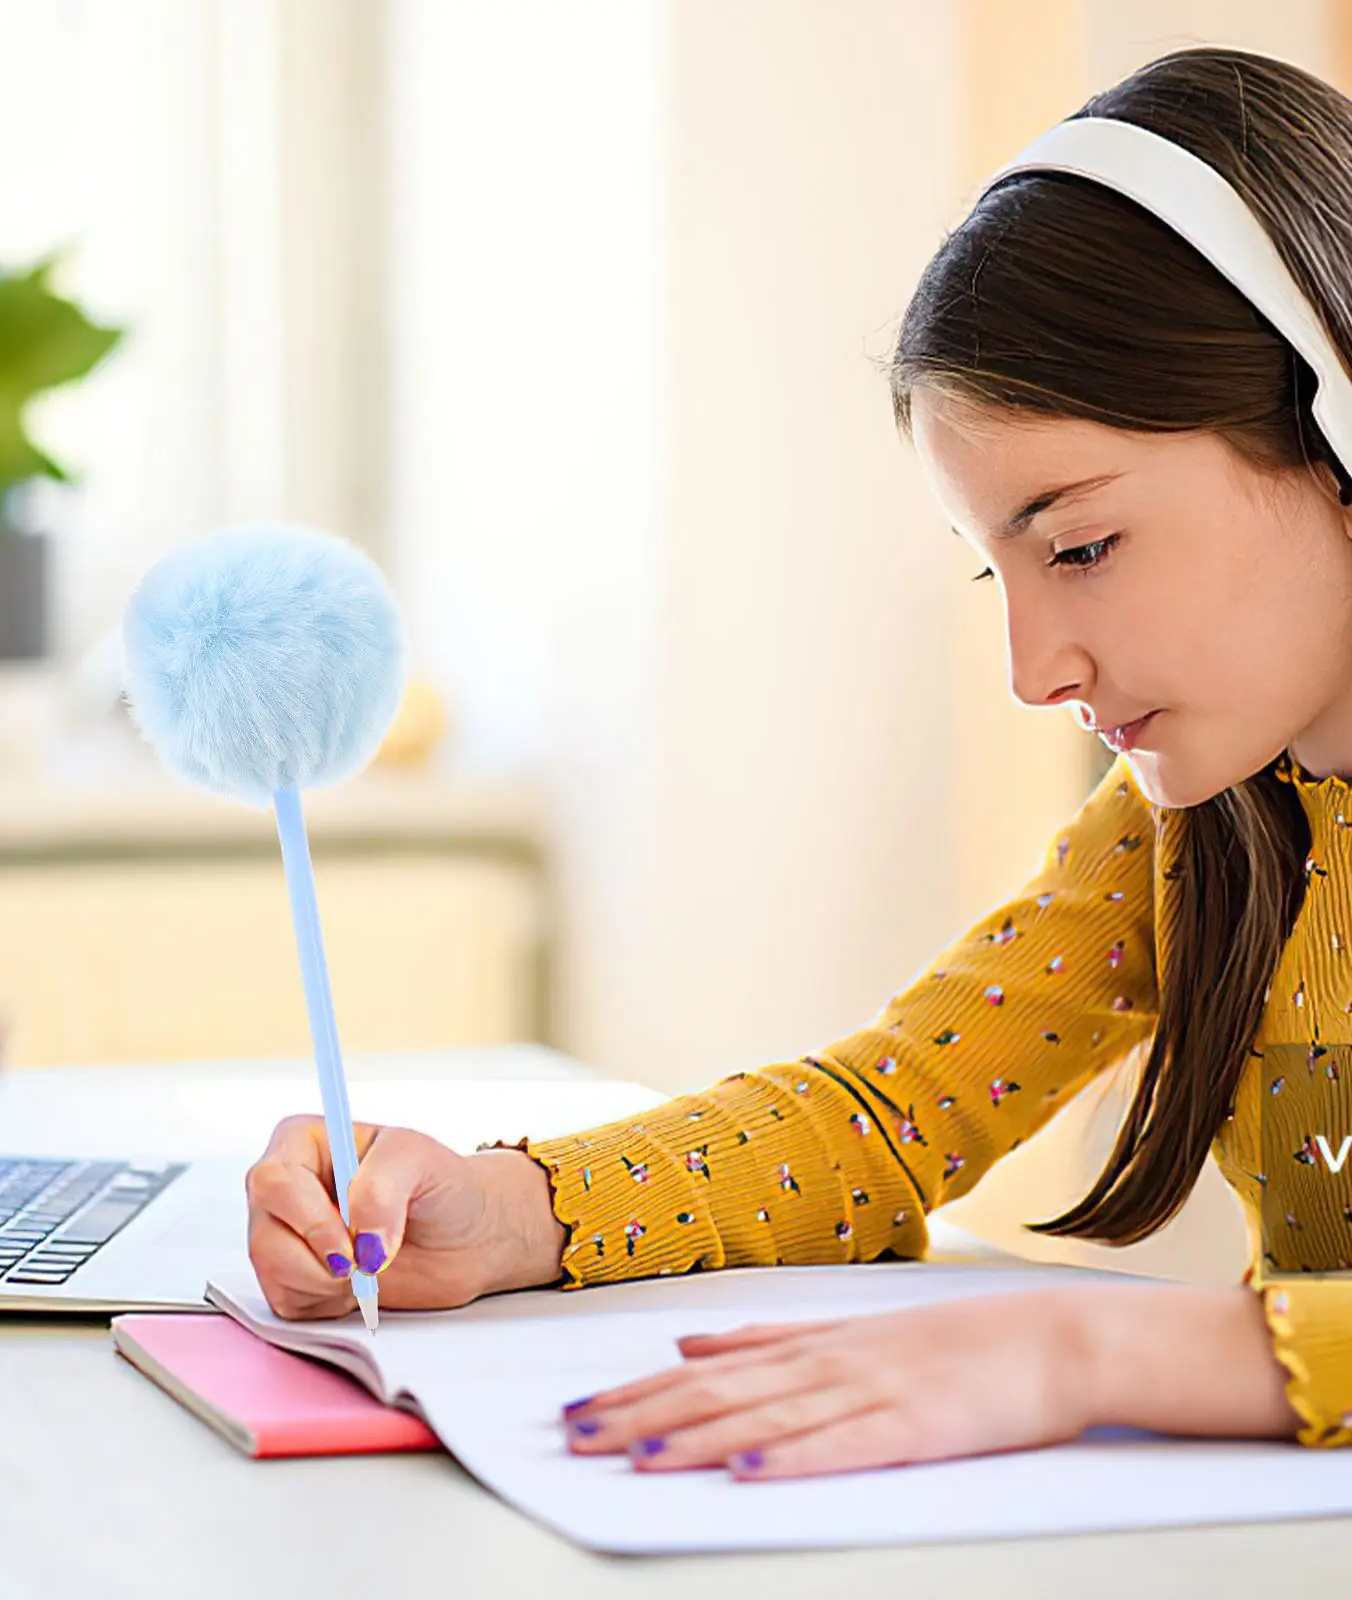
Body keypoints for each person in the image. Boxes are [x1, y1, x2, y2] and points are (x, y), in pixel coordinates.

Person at [246, 45, 1352, 1478]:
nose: (1036, 672)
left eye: (1080, 546)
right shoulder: (1202, 831)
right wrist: (509, 1211)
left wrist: (1075, 1347)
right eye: (996, 574)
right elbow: (889, 1117)